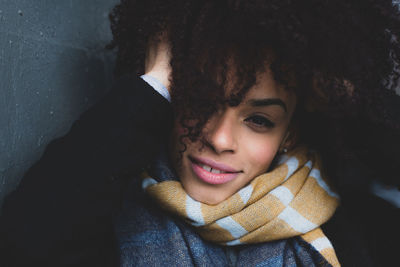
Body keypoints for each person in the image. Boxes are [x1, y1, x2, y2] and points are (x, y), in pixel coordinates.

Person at [1, 0, 400, 266]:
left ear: (290, 134)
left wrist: (352, 98)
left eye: (259, 120)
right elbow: (22, 244)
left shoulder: (356, 234)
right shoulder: (103, 217)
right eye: (199, 100)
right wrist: (157, 81)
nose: (219, 139)